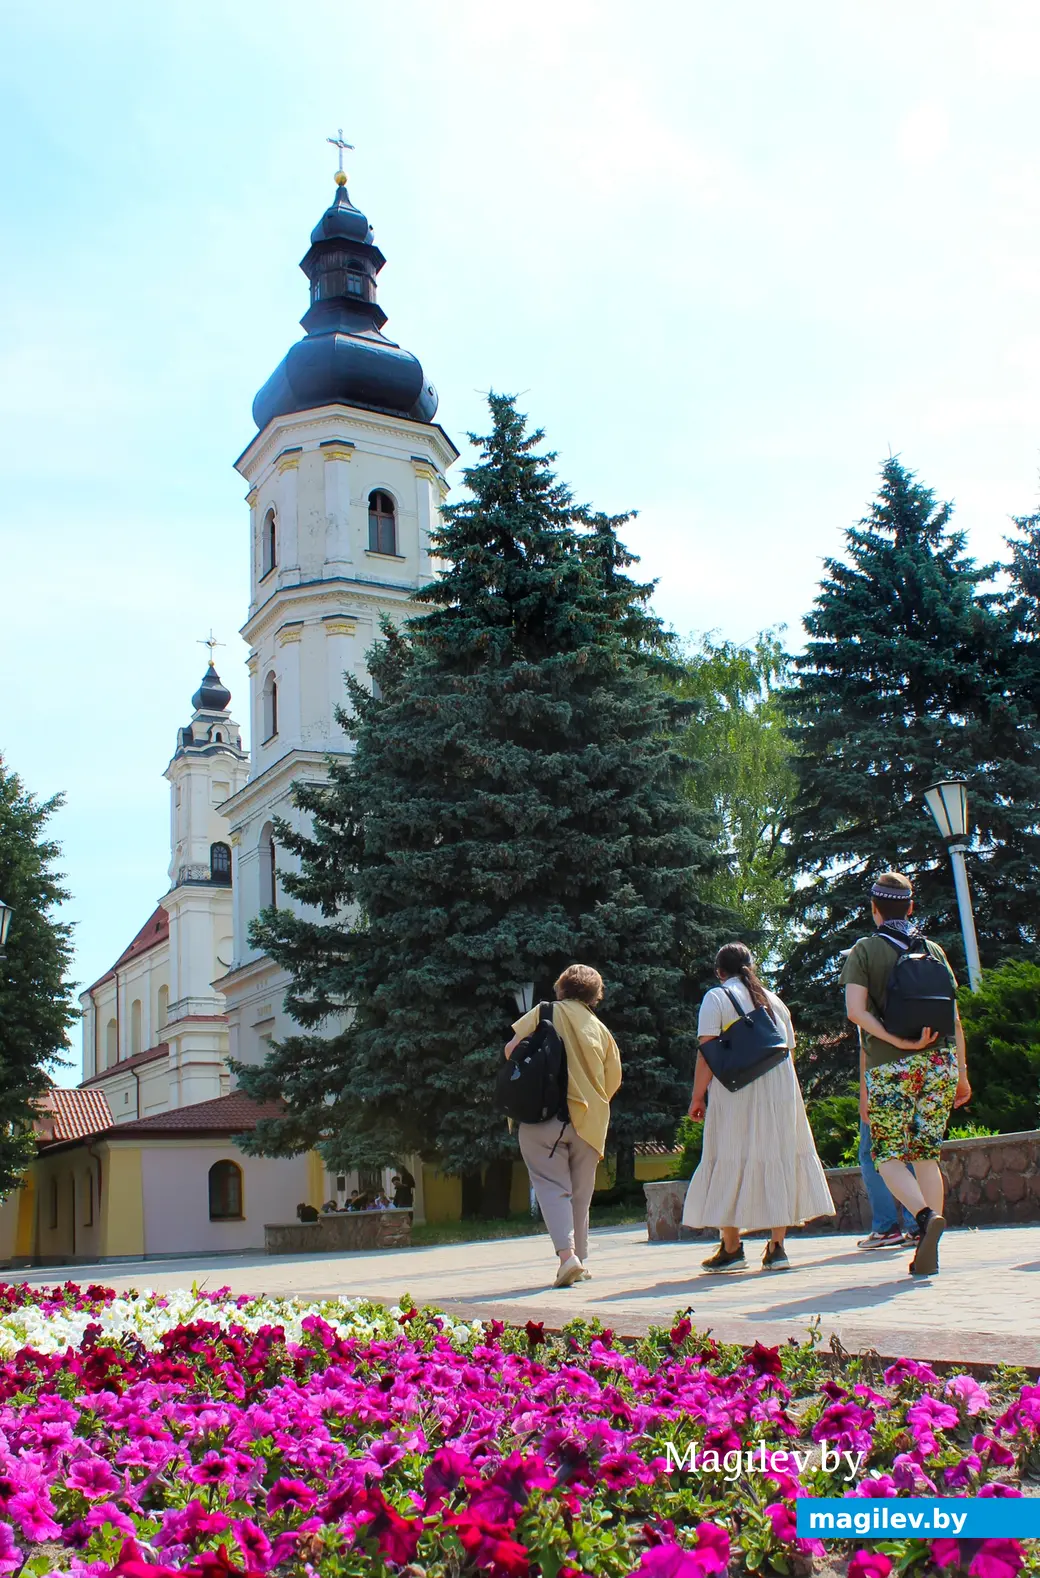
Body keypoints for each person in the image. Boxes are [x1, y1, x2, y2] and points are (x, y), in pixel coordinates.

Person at [840, 871, 971, 1278]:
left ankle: (925, 1217)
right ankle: (929, 1246)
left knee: (888, 1156)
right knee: (926, 1156)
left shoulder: (864, 951)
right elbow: (953, 1015)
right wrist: (962, 1072)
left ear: (874, 910)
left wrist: (896, 1040)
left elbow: (856, 1012)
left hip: (890, 1067)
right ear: (911, 907)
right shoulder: (932, 949)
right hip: (939, 1064)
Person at [682, 943, 834, 1271]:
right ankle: (777, 1247)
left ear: (719, 971)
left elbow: (706, 1051)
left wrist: (697, 1096)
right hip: (780, 1090)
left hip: (737, 1088)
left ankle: (732, 1247)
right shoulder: (774, 1001)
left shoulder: (717, 997)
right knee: (777, 1157)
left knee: (729, 1156)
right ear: (751, 966)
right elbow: (788, 1050)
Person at [505, 964, 622, 1289]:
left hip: (541, 1117)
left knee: (550, 1185)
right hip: (588, 1122)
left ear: (561, 987)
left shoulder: (544, 1012)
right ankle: (580, 1263)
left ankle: (567, 1257)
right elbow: (613, 1079)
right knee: (581, 1195)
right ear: (595, 994)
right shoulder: (600, 1029)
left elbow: (510, 1050)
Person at [855, 1029, 916, 1250]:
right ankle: (918, 1223)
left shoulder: (870, 996)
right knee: (910, 1151)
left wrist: (865, 1095)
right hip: (915, 1074)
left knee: (870, 1154)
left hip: (882, 1078)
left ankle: (886, 1227)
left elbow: (867, 1046)